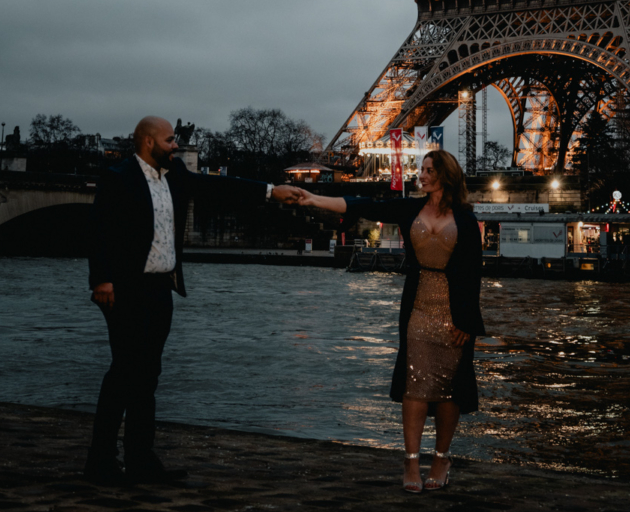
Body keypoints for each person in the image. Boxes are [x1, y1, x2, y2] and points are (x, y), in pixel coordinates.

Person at [85, 115, 302, 486]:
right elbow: (100, 230)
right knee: (124, 373)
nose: (176, 146)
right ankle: (101, 461)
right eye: (170, 140)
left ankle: (140, 461)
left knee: (148, 375)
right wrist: (102, 279)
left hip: (160, 289)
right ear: (149, 142)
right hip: (125, 288)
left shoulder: (176, 176)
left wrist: (270, 191)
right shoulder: (118, 177)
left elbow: (222, 187)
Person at [299, 148, 484, 492]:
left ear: (445, 175)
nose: (421, 175)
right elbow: (361, 205)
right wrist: (314, 199)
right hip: (417, 307)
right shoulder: (410, 208)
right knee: (415, 384)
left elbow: (474, 274)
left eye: (428, 170)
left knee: (449, 390)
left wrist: (468, 323)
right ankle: (411, 461)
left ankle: (441, 457)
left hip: (453, 313)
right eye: (421, 169)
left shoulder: (466, 220)